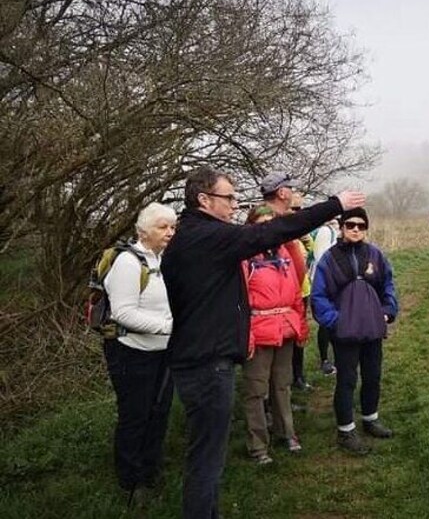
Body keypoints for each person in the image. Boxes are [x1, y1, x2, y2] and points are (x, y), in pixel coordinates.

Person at [162, 166, 364, 519]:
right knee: (206, 460)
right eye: (229, 198)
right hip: (208, 365)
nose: (234, 206)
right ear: (203, 199)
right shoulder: (209, 236)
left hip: (197, 358)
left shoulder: (189, 237)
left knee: (206, 455)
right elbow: (276, 229)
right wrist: (335, 204)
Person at [102, 202, 177, 499]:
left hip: (163, 353)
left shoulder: (163, 261)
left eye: (172, 227)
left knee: (159, 413)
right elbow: (123, 312)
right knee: (135, 416)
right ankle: (130, 481)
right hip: (131, 352)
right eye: (162, 227)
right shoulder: (128, 263)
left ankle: (151, 470)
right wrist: (169, 328)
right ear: (143, 231)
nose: (170, 232)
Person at [310, 207, 399, 455]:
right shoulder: (329, 259)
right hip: (345, 332)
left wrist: (387, 311)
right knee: (347, 380)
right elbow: (319, 297)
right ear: (342, 228)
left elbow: (388, 285)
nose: (356, 229)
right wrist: (336, 321)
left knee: (372, 375)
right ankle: (346, 430)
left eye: (361, 225)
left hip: (372, 328)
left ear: (366, 229)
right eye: (351, 225)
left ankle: (371, 419)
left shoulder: (375, 255)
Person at [241, 205, 307, 465]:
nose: (268, 228)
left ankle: (286, 433)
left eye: (272, 222)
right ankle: (258, 445)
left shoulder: (284, 253)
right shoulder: (245, 257)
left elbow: (296, 293)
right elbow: (241, 300)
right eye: (262, 223)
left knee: (282, 385)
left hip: (285, 328)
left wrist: (300, 325)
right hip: (258, 329)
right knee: (256, 390)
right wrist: (246, 335)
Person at [260, 175, 313, 392]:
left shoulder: (287, 225)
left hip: (294, 294)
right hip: (271, 303)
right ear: (282, 193)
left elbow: (302, 254)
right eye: (290, 189)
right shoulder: (268, 223)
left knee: (290, 349)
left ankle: (288, 391)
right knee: (270, 362)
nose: (292, 193)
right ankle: (270, 409)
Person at [309, 217, 340, 376]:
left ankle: (336, 357)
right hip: (324, 283)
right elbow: (321, 257)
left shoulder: (334, 231)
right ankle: (325, 360)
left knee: (335, 321)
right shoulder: (325, 231)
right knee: (326, 322)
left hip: (335, 282)